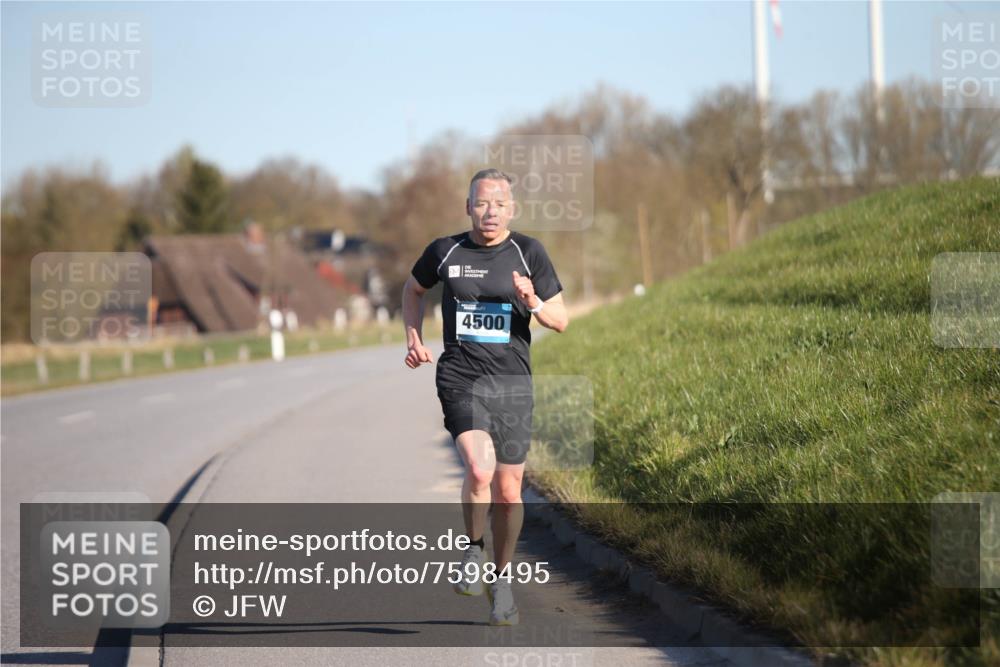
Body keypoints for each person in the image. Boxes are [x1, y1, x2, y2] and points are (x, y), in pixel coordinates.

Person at [401, 168, 569, 626]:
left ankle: (501, 581)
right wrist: (413, 336)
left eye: (499, 203)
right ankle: (472, 551)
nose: (489, 211)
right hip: (461, 376)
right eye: (481, 202)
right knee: (479, 468)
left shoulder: (528, 251)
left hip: (513, 382)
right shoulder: (445, 251)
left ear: (512, 208)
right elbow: (413, 289)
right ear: (468, 206)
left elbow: (560, 320)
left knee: (510, 490)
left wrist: (532, 300)